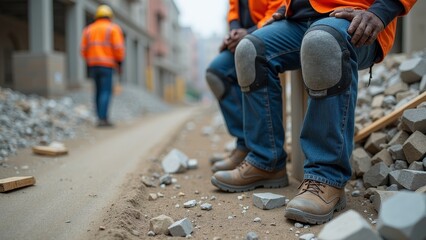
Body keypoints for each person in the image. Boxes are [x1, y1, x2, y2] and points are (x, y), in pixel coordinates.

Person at [212, 0, 417, 224]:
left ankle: (327, 177)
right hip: (297, 21)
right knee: (249, 49)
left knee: (322, 41)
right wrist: (285, 7)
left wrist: (381, 12)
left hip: (355, 16)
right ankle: (265, 161)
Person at [206, 0, 282, 172]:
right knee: (217, 71)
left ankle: (267, 156)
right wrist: (233, 32)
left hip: (269, 29)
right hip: (245, 37)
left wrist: (249, 33)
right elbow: (233, 8)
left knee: (252, 54)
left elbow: (279, 8)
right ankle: (245, 145)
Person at [80, 5, 125, 127]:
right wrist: (119, 61)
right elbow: (118, 48)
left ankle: (98, 117)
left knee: (98, 91)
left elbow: (83, 50)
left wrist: (90, 60)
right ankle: (103, 119)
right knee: (106, 91)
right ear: (110, 16)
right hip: (107, 65)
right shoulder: (113, 28)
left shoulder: (88, 30)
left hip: (93, 65)